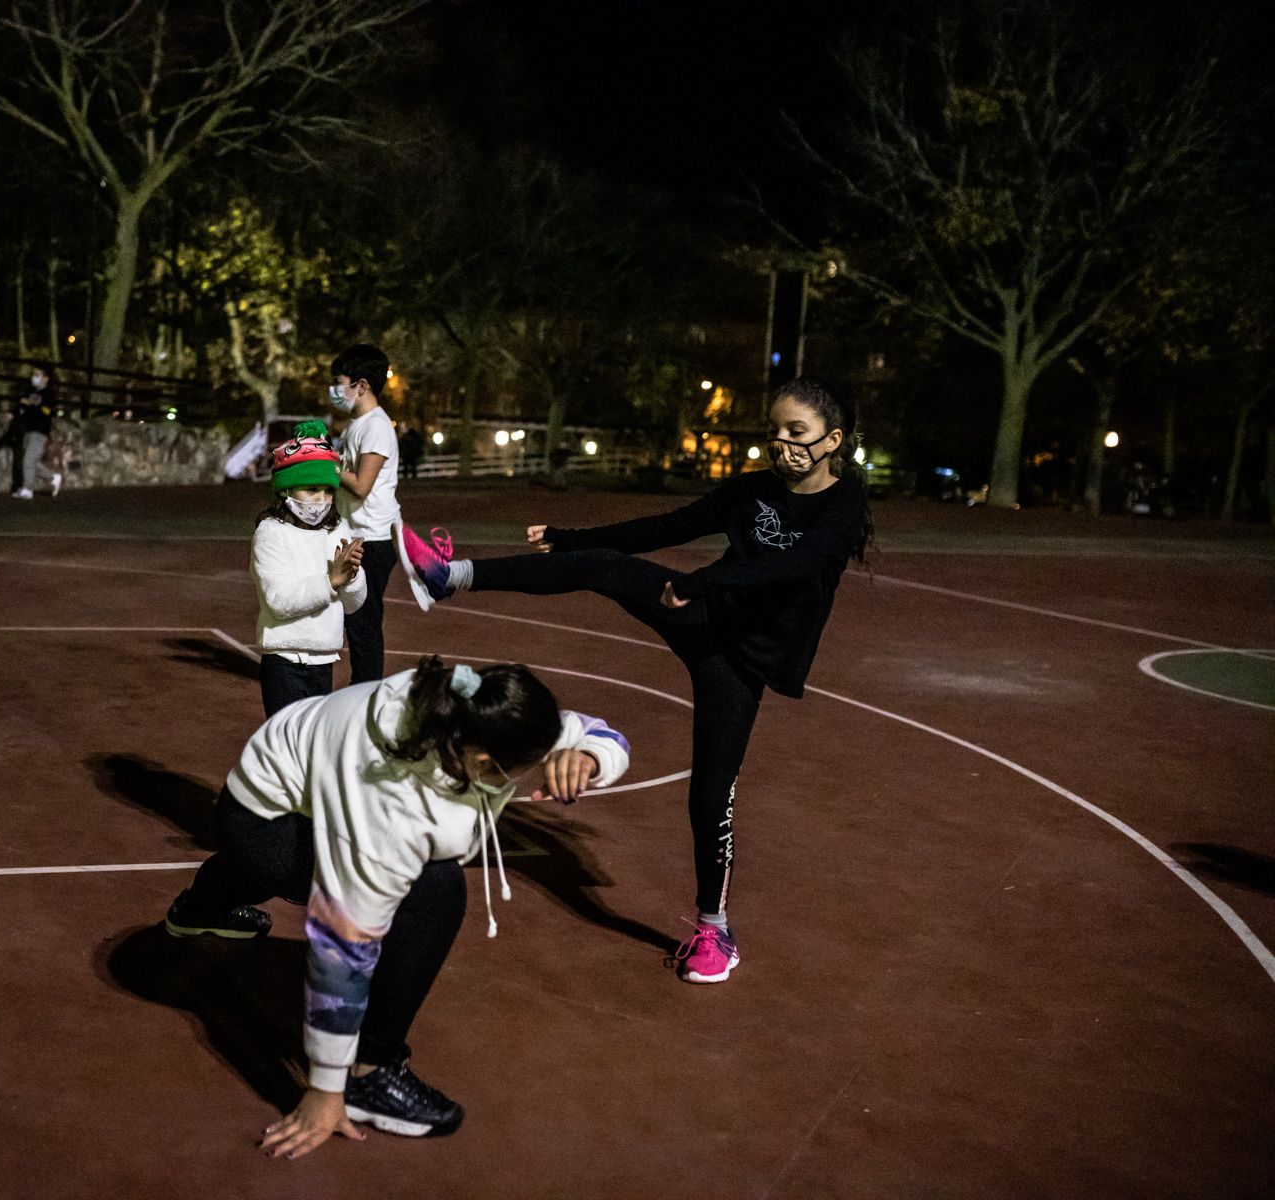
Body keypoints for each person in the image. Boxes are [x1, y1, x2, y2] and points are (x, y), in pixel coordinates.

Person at [397, 377, 872, 985]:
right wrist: (575, 541)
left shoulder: (841, 505)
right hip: (702, 614)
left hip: (743, 660)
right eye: (775, 430)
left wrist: (703, 582)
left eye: (797, 433)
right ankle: (449, 575)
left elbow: (795, 565)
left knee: (710, 794)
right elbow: (666, 528)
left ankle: (714, 929)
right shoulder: (753, 490)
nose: (782, 443)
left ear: (832, 441)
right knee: (602, 567)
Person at [162, 657, 630, 1157]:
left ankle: (199, 908)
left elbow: (604, 734)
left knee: (264, 870)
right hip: (267, 815)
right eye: (521, 768)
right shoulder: (387, 806)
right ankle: (371, 1072)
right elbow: (340, 948)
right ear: (480, 761)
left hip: (296, 777)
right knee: (435, 890)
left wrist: (591, 756)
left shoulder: (469, 703)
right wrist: (325, 1089)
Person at [252, 420, 367, 717]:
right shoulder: (270, 532)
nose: (321, 500)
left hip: (324, 661)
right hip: (283, 661)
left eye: (329, 491)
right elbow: (279, 600)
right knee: (288, 749)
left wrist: (352, 577)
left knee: (312, 749)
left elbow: (353, 605)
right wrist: (332, 580)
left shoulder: (336, 529)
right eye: (312, 489)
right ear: (286, 489)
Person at [327, 344, 403, 683]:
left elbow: (360, 485)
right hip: (353, 533)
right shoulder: (356, 424)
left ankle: (365, 692)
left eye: (338, 381)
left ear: (361, 385)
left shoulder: (376, 426)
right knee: (345, 617)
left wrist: (322, 463)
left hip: (371, 539)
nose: (334, 389)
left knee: (363, 623)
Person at [7, 366, 60, 498]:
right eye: (33, 375)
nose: (34, 378)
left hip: (40, 431)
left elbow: (45, 412)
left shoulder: (49, 394)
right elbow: (21, 405)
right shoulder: (30, 392)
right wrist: (13, 414)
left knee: (28, 460)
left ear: (45, 378)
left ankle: (28, 489)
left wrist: (31, 405)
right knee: (32, 462)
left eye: (37, 375)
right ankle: (53, 478)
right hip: (28, 430)